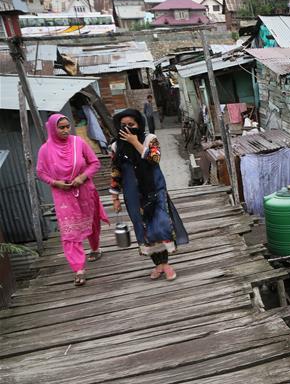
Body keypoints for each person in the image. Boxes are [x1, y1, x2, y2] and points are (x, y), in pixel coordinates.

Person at [110, 109, 188, 281]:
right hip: (132, 193)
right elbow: (116, 171)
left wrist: (135, 142)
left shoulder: (149, 139)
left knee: (160, 225)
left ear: (139, 124)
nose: (128, 128)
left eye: (132, 125)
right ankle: (159, 265)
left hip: (154, 189)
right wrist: (115, 196)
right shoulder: (116, 146)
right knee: (144, 229)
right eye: (124, 126)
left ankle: (165, 263)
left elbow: (154, 159)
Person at [36, 114, 109, 286]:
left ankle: (95, 248)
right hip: (63, 195)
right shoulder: (45, 150)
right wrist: (56, 183)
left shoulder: (78, 143)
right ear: (53, 129)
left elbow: (95, 163)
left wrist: (82, 177)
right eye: (61, 127)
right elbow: (40, 172)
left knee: (91, 222)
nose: (65, 130)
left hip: (84, 190)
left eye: (67, 126)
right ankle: (78, 269)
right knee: (70, 231)